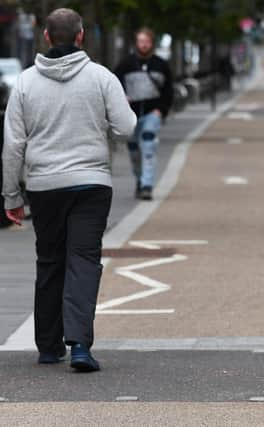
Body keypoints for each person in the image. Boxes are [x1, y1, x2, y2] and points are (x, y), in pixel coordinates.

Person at [1, 8, 136, 370]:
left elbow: (13, 145)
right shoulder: (102, 78)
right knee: (84, 259)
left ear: (46, 36)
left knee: (49, 260)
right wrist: (105, 133)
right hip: (91, 183)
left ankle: (47, 346)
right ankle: (79, 344)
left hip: (44, 186)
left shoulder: (26, 84)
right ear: (80, 37)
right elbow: (127, 126)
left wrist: (11, 196)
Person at [114, 27, 173, 201]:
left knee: (148, 145)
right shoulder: (126, 64)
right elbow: (114, 84)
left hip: (152, 112)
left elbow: (168, 90)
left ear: (152, 43)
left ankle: (147, 184)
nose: (144, 45)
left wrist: (161, 110)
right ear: (136, 43)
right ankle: (139, 179)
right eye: (141, 41)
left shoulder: (161, 65)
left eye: (146, 41)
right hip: (131, 114)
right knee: (134, 151)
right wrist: (122, 98)